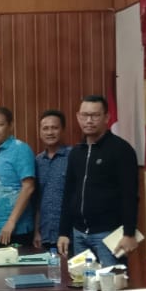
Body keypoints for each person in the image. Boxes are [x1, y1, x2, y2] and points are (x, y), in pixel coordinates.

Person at [57, 95, 139, 266]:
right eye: (85, 115)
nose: (89, 120)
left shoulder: (121, 149)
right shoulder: (76, 152)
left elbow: (130, 195)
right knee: (81, 281)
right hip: (78, 234)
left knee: (111, 282)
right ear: (78, 117)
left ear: (107, 117)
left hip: (108, 235)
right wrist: (63, 232)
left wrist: (129, 233)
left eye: (95, 115)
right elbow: (68, 193)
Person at [0, 106, 36, 246]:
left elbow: (28, 187)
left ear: (10, 126)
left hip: (16, 229)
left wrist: (11, 222)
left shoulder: (20, 149)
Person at [34, 110, 71, 250]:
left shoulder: (73, 156)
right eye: (45, 128)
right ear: (40, 132)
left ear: (63, 130)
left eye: (54, 128)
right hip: (45, 234)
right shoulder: (37, 161)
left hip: (69, 234)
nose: (50, 132)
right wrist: (36, 231)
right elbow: (37, 200)